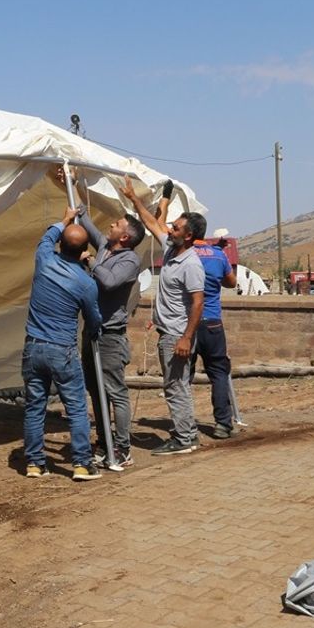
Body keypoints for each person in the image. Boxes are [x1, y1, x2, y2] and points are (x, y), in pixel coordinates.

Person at [61, 168, 145, 470]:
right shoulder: (107, 247)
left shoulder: (129, 260)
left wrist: (90, 259)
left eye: (117, 224)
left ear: (124, 236)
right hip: (94, 330)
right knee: (95, 389)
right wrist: (71, 185)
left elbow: (109, 282)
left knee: (115, 391)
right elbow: (84, 221)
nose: (109, 225)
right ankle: (104, 440)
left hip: (111, 335)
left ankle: (122, 447)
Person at [122, 177, 205, 456]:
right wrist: (134, 199)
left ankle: (184, 439)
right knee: (176, 386)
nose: (170, 228)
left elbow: (197, 303)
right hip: (168, 331)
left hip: (177, 337)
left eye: (177, 227)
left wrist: (186, 338)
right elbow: (151, 222)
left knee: (175, 387)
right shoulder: (171, 248)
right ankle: (186, 434)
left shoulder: (190, 264)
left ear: (189, 236)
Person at [21, 205, 104, 481]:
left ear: (60, 245)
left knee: (35, 407)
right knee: (77, 408)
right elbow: (94, 320)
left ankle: (34, 463)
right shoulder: (85, 283)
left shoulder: (44, 259)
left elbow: (47, 237)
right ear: (83, 251)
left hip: (33, 347)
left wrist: (65, 219)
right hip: (62, 351)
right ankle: (81, 464)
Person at [192, 232, 239, 438]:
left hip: (187, 324)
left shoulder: (183, 254)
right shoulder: (218, 255)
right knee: (219, 373)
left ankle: (185, 428)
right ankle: (222, 424)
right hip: (212, 323)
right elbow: (231, 282)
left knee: (183, 376)